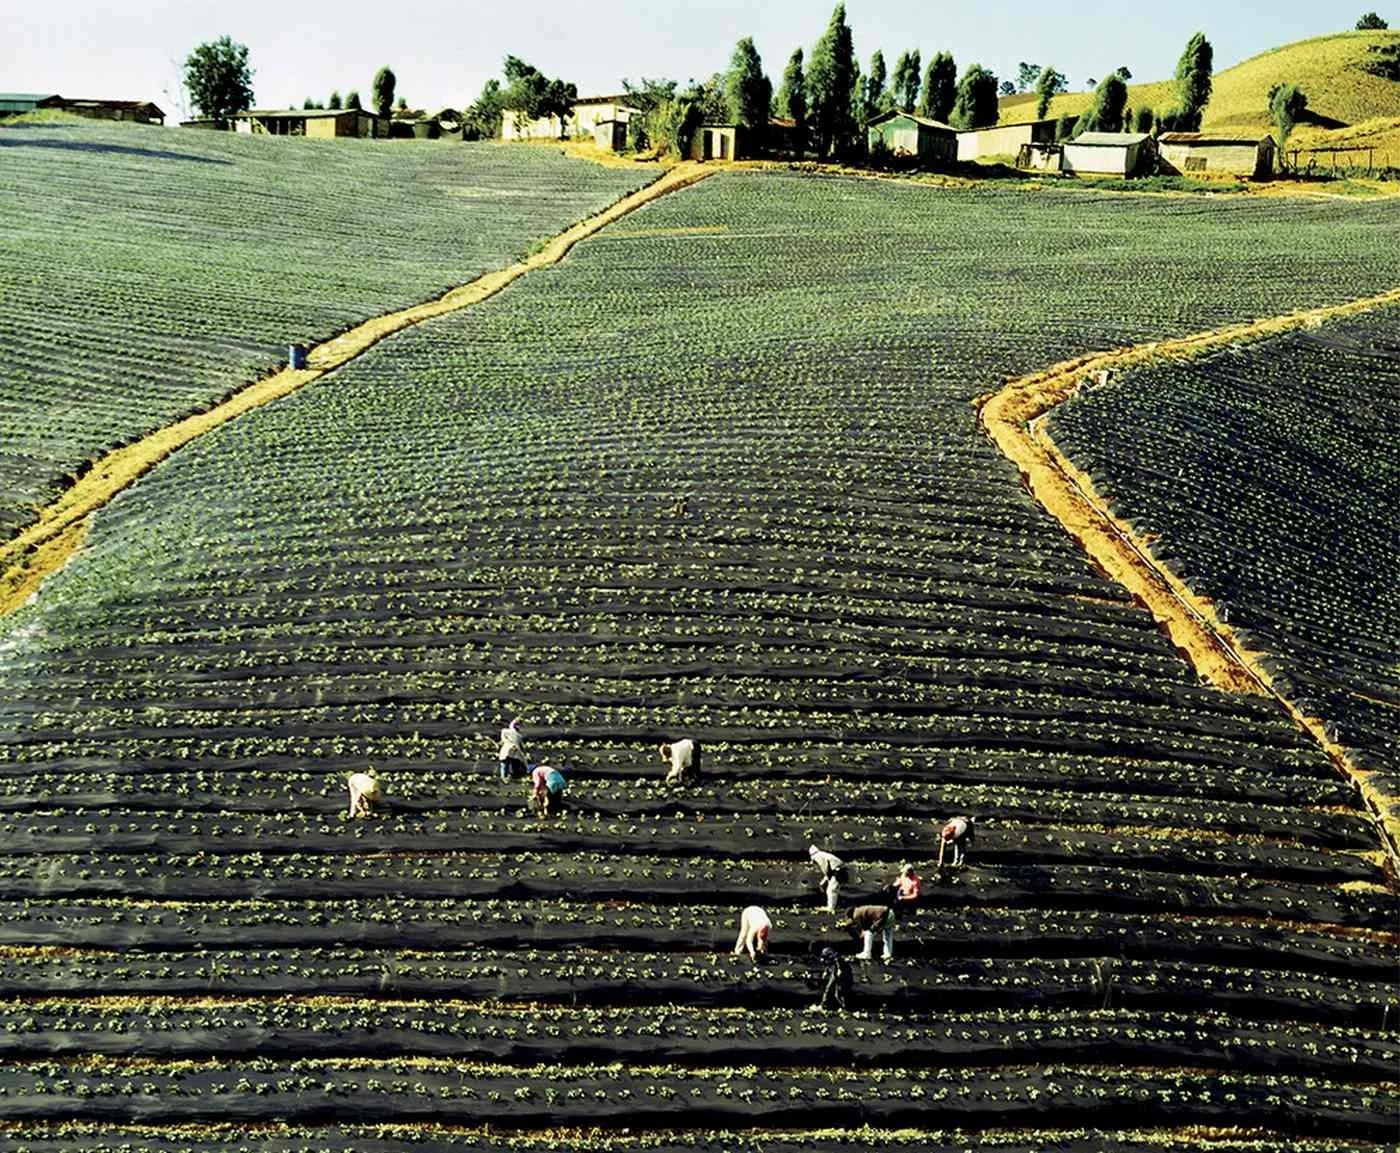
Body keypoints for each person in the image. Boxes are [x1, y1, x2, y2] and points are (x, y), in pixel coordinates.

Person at [811, 946, 853, 1012]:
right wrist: (826, 972)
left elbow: (837, 959)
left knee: (831, 989)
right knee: (835, 992)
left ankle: (824, 1005)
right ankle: (841, 1006)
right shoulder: (822, 956)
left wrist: (839, 969)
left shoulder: (826, 951)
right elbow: (828, 964)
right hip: (834, 972)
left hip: (841, 973)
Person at [808, 843, 846, 912]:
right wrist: (824, 880)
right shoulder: (822, 854)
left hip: (838, 871)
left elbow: (825, 868)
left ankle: (830, 908)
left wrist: (826, 880)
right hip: (838, 870)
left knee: (831, 890)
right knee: (832, 889)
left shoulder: (818, 856)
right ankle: (831, 906)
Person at [498, 718, 528, 782]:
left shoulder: (519, 736)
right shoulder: (506, 731)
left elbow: (521, 745)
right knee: (506, 763)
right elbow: (504, 738)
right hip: (509, 750)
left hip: (514, 751)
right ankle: (505, 777)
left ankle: (510, 776)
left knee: (511, 763)